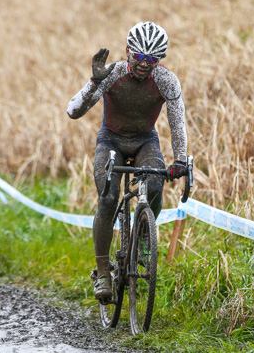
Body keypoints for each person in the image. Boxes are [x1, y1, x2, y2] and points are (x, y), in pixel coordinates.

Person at [67, 21, 188, 301]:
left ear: (159, 61)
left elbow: (177, 122)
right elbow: (73, 111)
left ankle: (144, 236)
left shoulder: (167, 80)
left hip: (146, 140)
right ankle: (101, 270)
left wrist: (180, 159)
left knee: (156, 181)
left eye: (152, 60)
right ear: (127, 51)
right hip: (111, 139)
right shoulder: (112, 74)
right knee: (108, 198)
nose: (144, 64)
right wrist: (94, 82)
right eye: (139, 57)